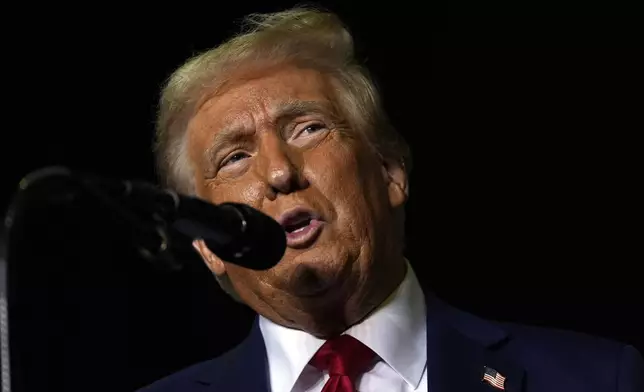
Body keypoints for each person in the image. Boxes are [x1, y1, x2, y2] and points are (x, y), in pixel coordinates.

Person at [140, 7, 643, 392]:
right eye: (234, 158)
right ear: (207, 244)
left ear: (390, 172)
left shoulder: (597, 378)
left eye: (309, 128)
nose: (278, 171)